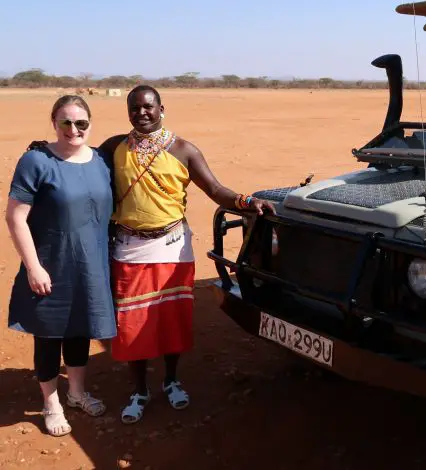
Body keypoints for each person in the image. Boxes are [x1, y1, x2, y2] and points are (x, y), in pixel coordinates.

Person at [97, 85, 274, 424]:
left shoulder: (183, 150)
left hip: (172, 248)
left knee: (171, 319)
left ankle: (171, 380)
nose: (141, 113)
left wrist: (248, 202)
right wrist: (49, 152)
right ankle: (139, 390)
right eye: (134, 108)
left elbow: (216, 189)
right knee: (132, 324)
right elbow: (82, 162)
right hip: (129, 249)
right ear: (128, 112)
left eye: (148, 107)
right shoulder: (114, 147)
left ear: (161, 108)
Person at [6, 95, 116, 437]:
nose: (73, 129)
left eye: (81, 123)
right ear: (54, 123)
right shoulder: (36, 161)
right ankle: (51, 403)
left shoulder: (100, 160)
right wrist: (33, 266)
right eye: (65, 122)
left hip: (91, 265)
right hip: (51, 265)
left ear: (90, 124)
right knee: (50, 334)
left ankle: (77, 392)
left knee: (80, 329)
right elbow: (15, 217)